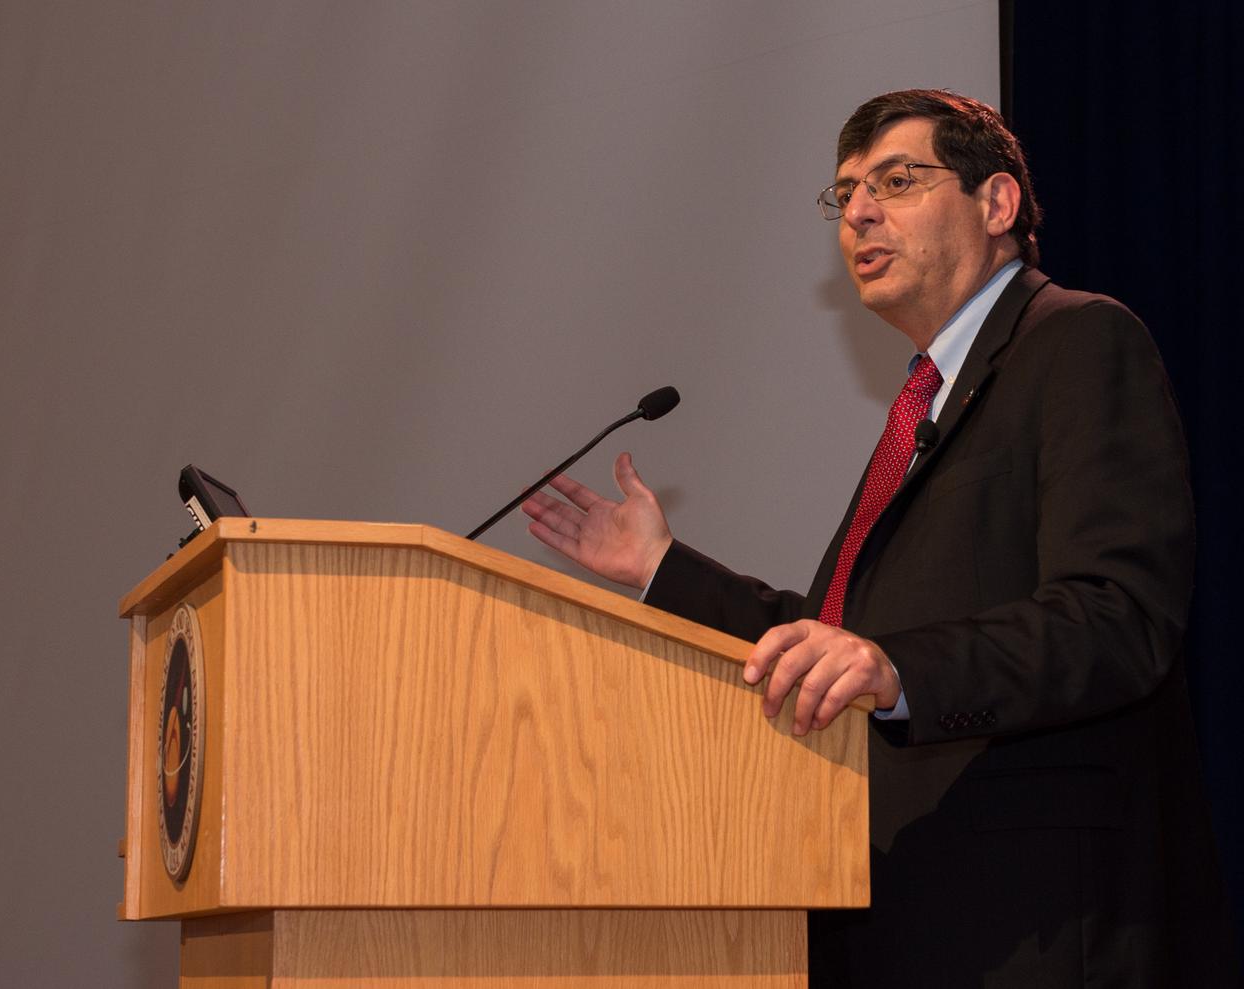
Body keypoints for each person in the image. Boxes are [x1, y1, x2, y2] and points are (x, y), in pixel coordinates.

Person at [522, 89, 1241, 987]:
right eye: (847, 193)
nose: (858, 210)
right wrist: (662, 570)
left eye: (896, 181)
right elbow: (838, 641)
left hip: (1039, 922)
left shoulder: (1079, 341)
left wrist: (900, 670)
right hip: (903, 910)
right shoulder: (932, 397)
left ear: (997, 203)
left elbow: (1115, 619)